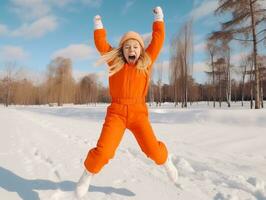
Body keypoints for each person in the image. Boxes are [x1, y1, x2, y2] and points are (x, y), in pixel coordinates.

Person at [75, 6, 178, 199]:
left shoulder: (146, 63)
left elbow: (158, 40)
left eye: (136, 46)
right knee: (104, 152)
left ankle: (166, 163)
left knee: (153, 151)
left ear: (140, 50)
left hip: (139, 113)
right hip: (117, 113)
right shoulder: (115, 62)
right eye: (127, 46)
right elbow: (101, 44)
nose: (132, 49)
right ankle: (86, 176)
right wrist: (98, 25)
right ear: (122, 50)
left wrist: (159, 18)